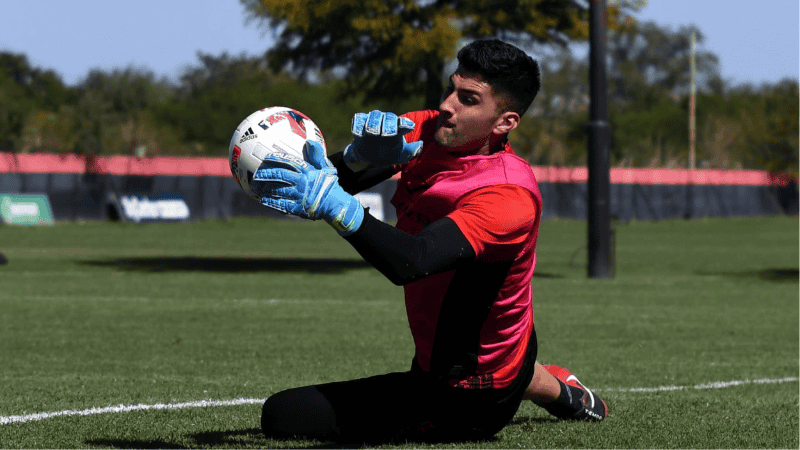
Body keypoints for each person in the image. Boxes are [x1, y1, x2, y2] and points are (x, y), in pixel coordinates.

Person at [251, 38, 608, 444]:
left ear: (505, 122)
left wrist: (340, 209)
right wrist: (355, 158)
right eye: (451, 88)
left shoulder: (508, 195)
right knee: (496, 347)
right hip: (503, 340)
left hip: (470, 391)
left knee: (283, 415)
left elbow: (411, 261)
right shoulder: (429, 128)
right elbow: (331, 184)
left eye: (469, 99)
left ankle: (528, 386)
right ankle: (562, 392)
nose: (448, 105)